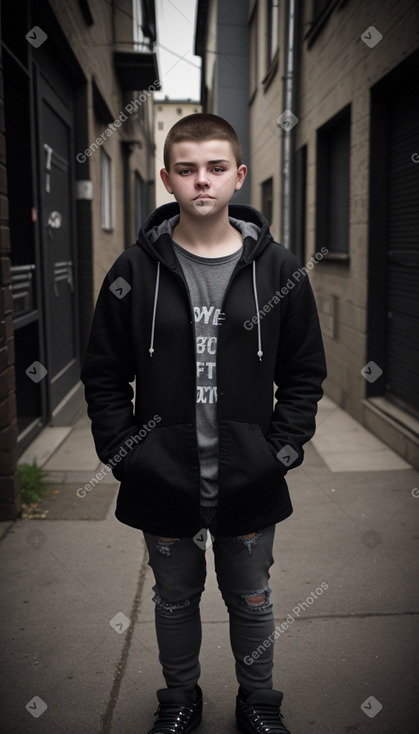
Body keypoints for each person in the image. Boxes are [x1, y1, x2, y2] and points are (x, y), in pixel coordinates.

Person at [81, 113, 327, 734]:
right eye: (187, 170)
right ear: (167, 179)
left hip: (251, 479)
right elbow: (104, 373)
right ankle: (180, 700)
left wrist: (282, 453)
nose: (202, 182)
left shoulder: (279, 271)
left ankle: (259, 703)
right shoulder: (132, 272)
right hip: (162, 480)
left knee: (252, 599)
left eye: (216, 168)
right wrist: (124, 454)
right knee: (174, 600)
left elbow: (304, 373)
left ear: (238, 176)